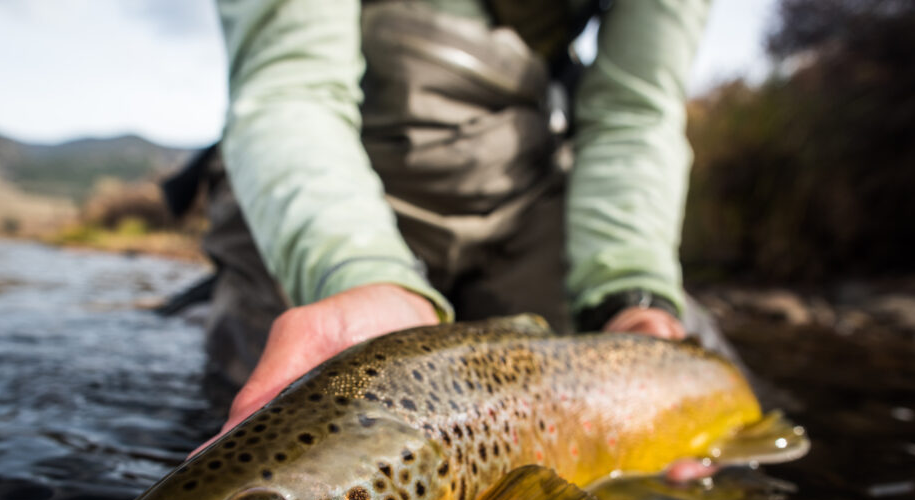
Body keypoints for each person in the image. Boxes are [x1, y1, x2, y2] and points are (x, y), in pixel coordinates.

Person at [203, 0, 716, 433]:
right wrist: (356, 273)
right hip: (320, 191)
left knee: (700, 396)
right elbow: (292, 86)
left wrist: (628, 295)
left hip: (527, 198)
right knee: (276, 418)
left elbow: (634, 113)